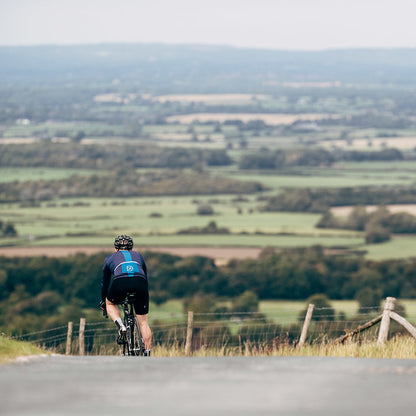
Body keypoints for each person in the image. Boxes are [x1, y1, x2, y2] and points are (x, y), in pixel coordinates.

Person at [100, 235, 152, 356]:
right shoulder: (139, 256)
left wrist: (103, 301)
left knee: (110, 303)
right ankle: (148, 353)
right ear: (131, 248)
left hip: (120, 282)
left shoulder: (109, 258)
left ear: (115, 249)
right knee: (144, 322)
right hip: (141, 283)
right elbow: (145, 275)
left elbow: (105, 283)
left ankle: (121, 326)